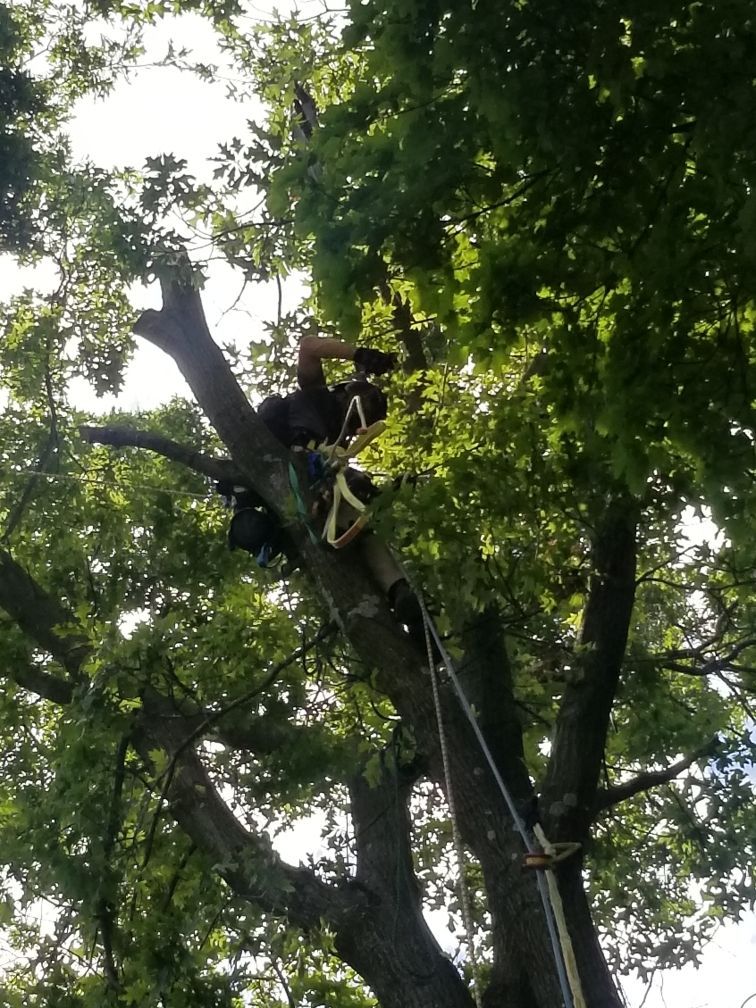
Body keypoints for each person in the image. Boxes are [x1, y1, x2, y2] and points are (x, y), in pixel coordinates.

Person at [220, 335, 432, 656]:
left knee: (360, 515)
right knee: (349, 484)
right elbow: (308, 346)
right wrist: (359, 354)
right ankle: (398, 594)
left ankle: (402, 598)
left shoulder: (336, 446)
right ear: (346, 391)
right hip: (277, 489)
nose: (364, 421)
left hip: (311, 507)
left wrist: (389, 491)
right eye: (367, 406)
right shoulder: (313, 396)